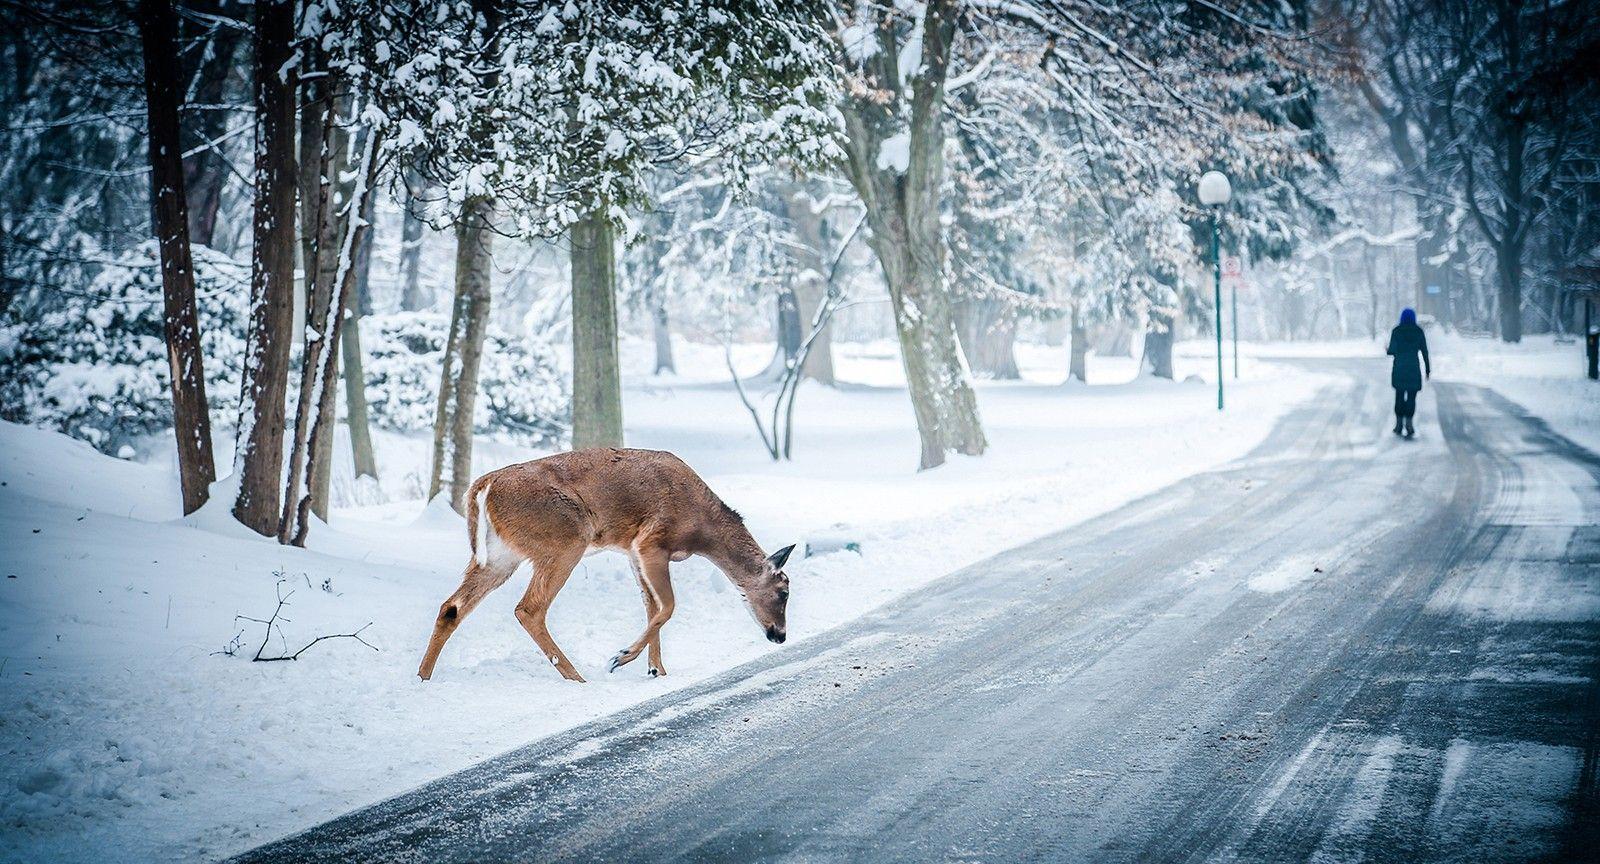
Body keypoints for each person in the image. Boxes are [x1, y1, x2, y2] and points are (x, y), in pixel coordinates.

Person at [1386, 308, 1430, 438]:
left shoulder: (1396, 331)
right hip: (1413, 369)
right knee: (1411, 397)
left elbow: (1392, 350)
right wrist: (1428, 369)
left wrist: (1387, 349)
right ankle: (1409, 424)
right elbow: (1425, 352)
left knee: (1399, 396)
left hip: (1399, 368)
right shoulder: (1418, 332)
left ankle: (1399, 425)